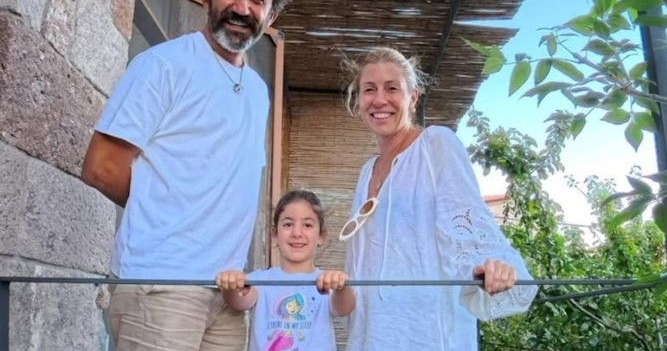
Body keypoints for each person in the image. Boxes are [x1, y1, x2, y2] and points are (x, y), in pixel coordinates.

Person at [80, 0, 290, 351]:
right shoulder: (163, 65)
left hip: (227, 293)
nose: (242, 7)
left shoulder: (256, 90)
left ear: (271, 14)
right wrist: (166, 212)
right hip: (161, 285)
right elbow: (101, 167)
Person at [340, 47, 538, 351]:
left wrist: (495, 268)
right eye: (369, 89)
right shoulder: (367, 171)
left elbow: (468, 222)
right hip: (372, 337)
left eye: (392, 88)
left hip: (428, 335)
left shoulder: (435, 145)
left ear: (413, 98)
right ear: (359, 100)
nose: (379, 100)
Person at [216, 190, 356, 351]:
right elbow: (239, 302)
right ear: (275, 234)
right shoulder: (260, 280)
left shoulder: (327, 281)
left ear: (321, 236)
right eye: (288, 224)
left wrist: (342, 287)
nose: (297, 233)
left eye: (307, 225)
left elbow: (344, 309)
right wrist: (230, 284)